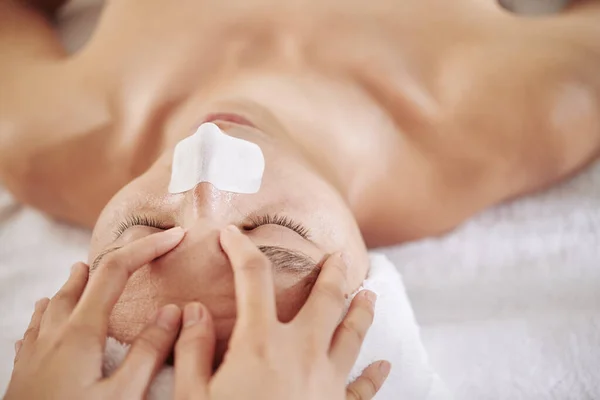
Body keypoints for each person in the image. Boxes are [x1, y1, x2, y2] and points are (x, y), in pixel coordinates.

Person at [1, 0, 599, 375]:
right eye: (272, 233)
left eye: (147, 227)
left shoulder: (43, 136)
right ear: (361, 270)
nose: (207, 183)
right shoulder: (513, 116)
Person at [5, 227, 389, 399]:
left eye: (148, 226)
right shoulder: (434, 134)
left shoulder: (34, 139)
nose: (206, 191)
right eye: (273, 227)